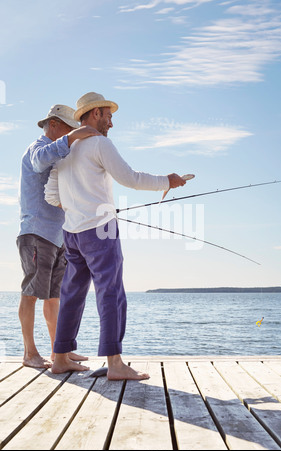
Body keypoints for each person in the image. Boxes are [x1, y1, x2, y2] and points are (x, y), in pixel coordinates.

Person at [45, 92, 186, 380]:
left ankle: (60, 358)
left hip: (71, 233)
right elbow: (130, 178)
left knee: (71, 294)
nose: (112, 122)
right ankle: (115, 364)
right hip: (100, 231)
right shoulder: (99, 143)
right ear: (95, 113)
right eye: (109, 116)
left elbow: (52, 194)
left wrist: (77, 207)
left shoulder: (65, 149)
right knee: (111, 294)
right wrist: (167, 181)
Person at [17, 104, 100, 368]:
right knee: (30, 293)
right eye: (68, 127)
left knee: (55, 298)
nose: (72, 133)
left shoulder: (57, 154)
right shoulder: (36, 149)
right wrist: (74, 138)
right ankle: (29, 354)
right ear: (53, 125)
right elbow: (41, 160)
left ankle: (58, 352)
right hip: (36, 235)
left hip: (57, 237)